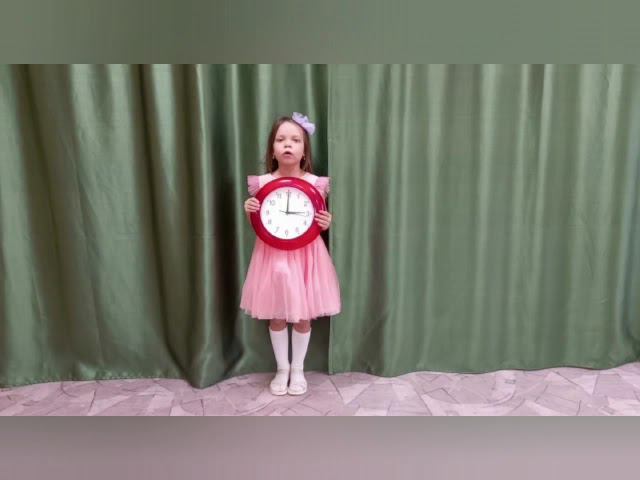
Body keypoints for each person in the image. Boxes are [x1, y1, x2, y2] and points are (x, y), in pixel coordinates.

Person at [241, 112, 341, 396]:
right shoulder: (261, 183)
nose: (288, 144)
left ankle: (298, 369)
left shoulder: (317, 183)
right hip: (271, 256)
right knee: (276, 314)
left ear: (304, 150)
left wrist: (326, 222)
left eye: (295, 140)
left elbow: (317, 218)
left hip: (307, 257)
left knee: (303, 315)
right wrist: (250, 211)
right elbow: (260, 223)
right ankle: (281, 368)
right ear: (272, 149)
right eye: (281, 139)